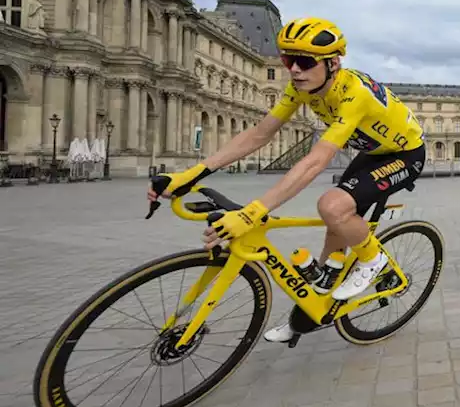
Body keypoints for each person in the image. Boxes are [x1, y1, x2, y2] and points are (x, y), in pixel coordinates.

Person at [147, 17, 426, 343]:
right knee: (330, 250)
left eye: (305, 62)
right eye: (287, 60)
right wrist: (191, 174)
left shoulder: (354, 95)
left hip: (405, 153)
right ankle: (307, 317)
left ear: (333, 63)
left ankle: (373, 260)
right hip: (372, 153)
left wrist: (252, 212)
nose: (294, 70)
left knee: (331, 206)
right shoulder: (299, 88)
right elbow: (259, 134)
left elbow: (315, 162)